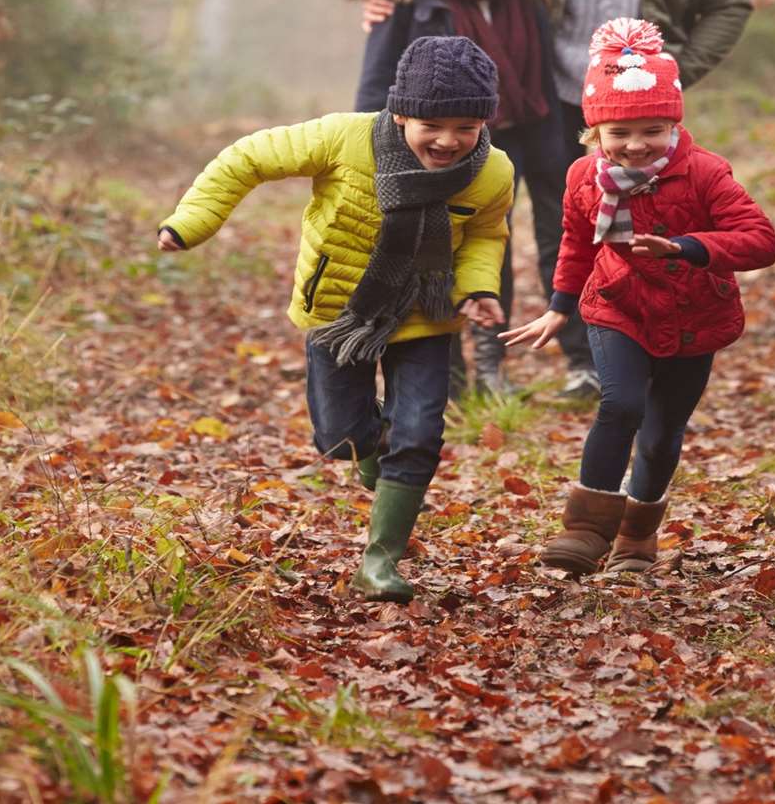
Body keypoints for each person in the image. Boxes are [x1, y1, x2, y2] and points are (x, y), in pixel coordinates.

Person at [363, 0, 755, 397]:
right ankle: (493, 363)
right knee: (516, 225)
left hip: (632, 110)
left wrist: (667, 74)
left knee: (609, 231)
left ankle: (596, 361)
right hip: (545, 95)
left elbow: (731, 2)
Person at [156, 36, 514, 601]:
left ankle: (380, 563)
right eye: (434, 125)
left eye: (466, 128)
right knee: (340, 438)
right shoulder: (341, 138)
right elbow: (246, 158)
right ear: (402, 113)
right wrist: (192, 222)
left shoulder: (492, 172)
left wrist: (477, 289)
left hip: (426, 317)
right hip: (339, 314)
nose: (449, 141)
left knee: (419, 434)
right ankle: (374, 455)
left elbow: (485, 237)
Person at [502, 18, 775, 576]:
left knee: (660, 435)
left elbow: (761, 241)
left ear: (674, 124)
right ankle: (585, 530)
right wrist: (559, 306)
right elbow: (576, 242)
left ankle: (636, 535)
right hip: (617, 305)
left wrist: (685, 247)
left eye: (652, 129)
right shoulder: (584, 176)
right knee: (621, 404)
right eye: (620, 133)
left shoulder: (704, 173)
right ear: (595, 133)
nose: (635, 144)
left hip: (693, 315)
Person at [340, 0, 588, 396]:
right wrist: (374, 146)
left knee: (510, 245)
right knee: (444, 250)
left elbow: (537, 70)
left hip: (519, 136)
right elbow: (377, 77)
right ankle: (448, 376)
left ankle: (495, 366)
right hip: (438, 144)